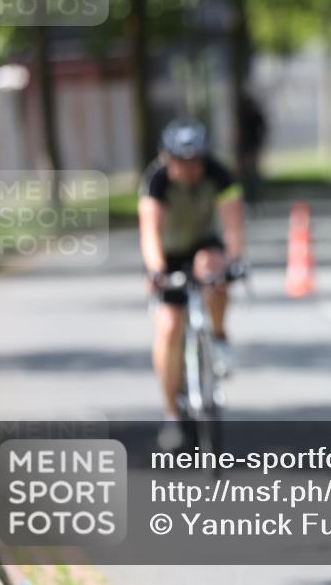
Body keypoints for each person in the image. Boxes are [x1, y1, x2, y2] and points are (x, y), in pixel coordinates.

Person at [138, 118, 246, 448]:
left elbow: (233, 226)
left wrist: (233, 259)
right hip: (168, 256)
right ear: (167, 158)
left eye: (195, 161)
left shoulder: (219, 173)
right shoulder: (155, 181)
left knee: (214, 270)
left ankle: (218, 335)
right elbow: (150, 234)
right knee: (169, 328)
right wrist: (156, 271)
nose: (189, 169)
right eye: (181, 162)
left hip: (203, 246)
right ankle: (171, 413)